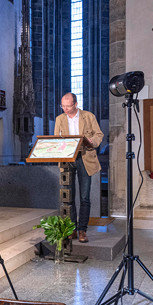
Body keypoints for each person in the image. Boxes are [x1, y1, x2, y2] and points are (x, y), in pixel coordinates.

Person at [54, 93, 103, 243]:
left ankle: (82, 230)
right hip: (67, 159)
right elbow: (56, 138)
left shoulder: (88, 116)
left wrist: (91, 141)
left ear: (76, 104)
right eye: (63, 106)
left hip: (84, 158)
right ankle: (72, 230)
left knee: (84, 197)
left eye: (68, 106)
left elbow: (99, 135)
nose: (65, 109)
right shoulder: (60, 119)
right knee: (68, 197)